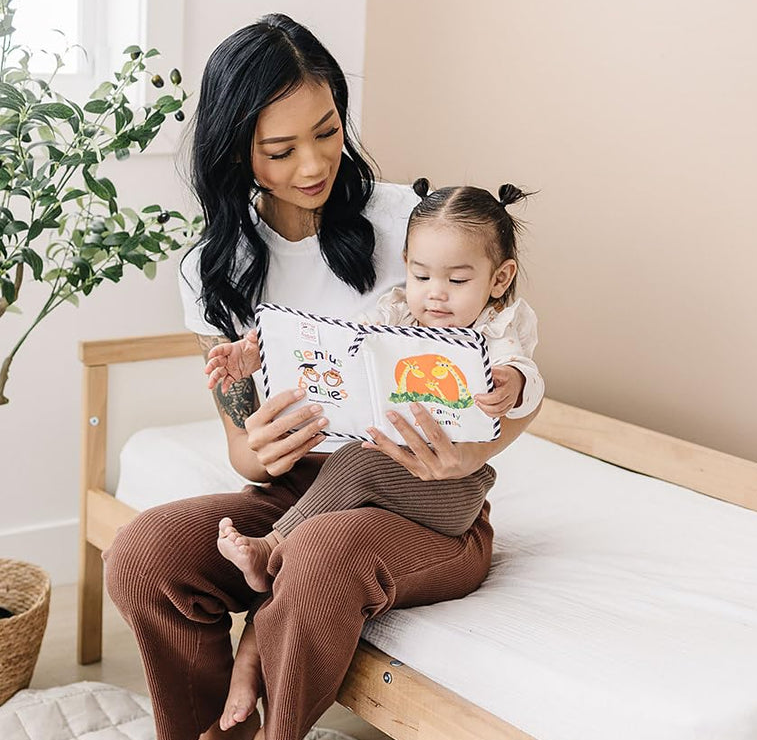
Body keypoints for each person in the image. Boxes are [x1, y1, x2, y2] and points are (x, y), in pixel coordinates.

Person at [101, 13, 542, 740]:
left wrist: (466, 453)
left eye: (328, 132)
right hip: (301, 488)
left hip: (423, 504)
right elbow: (240, 447)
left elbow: (510, 354)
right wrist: (252, 438)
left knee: (323, 551)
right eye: (278, 149)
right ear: (235, 152)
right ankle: (204, 739)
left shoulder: (409, 222)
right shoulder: (214, 266)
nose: (311, 165)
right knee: (142, 552)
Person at [205, 178, 545, 592]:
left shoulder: (496, 328)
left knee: (354, 462)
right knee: (355, 458)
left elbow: (528, 377)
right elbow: (342, 354)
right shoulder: (397, 316)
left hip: (452, 488)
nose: (435, 295)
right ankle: (292, 562)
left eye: (457, 281)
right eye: (420, 276)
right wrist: (263, 356)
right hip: (389, 474)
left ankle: (272, 546)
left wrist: (514, 382)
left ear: (499, 279)